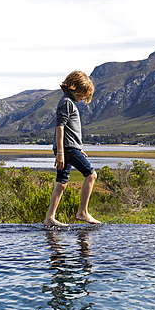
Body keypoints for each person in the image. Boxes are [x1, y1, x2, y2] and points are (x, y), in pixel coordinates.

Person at [43, 70, 101, 227]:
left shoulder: (68, 102)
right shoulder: (67, 103)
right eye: (83, 94)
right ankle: (82, 212)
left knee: (61, 183)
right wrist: (61, 153)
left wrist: (77, 148)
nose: (83, 98)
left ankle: (50, 218)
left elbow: (68, 129)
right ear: (77, 88)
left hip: (70, 148)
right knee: (91, 175)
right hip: (67, 149)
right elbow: (60, 127)